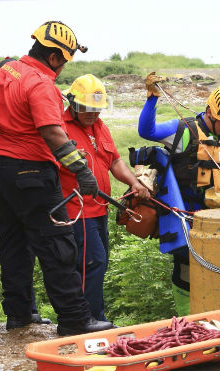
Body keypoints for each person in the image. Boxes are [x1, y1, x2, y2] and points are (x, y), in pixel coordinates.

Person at [0, 21, 113, 335]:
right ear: (55, 57)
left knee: (14, 244)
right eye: (63, 62)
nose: (60, 69)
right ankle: (75, 319)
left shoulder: (1, 70)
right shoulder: (41, 82)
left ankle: (19, 315)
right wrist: (82, 171)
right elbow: (51, 131)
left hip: (0, 171)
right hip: (33, 171)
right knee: (57, 245)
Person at [139, 74, 220, 315]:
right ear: (209, 112)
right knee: (186, 270)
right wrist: (152, 98)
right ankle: (188, 319)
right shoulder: (182, 131)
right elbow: (146, 130)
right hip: (188, 216)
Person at [58, 74, 150, 321]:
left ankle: (89, 315)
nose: (92, 114)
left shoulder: (100, 127)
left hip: (99, 209)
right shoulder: (60, 129)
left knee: (98, 263)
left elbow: (115, 161)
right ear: (73, 104)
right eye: (87, 108)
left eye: (97, 109)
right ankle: (89, 318)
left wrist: (134, 181)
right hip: (79, 211)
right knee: (92, 264)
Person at [0, 172, 52, 326]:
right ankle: (18, 315)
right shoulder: (6, 152)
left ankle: (28, 311)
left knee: (29, 259)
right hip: (9, 212)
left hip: (36, 208)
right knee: (15, 260)